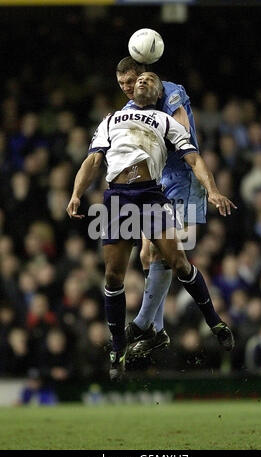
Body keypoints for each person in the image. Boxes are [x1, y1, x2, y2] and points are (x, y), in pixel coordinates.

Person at [66, 72, 236, 380]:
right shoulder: (111, 120)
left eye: (150, 78)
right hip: (117, 198)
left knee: (178, 261)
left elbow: (195, 159)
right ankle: (119, 348)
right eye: (138, 79)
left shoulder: (168, 120)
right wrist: (76, 194)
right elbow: (92, 161)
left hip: (151, 196)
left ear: (159, 90)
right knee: (113, 275)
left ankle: (214, 322)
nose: (143, 81)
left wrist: (212, 190)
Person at [116, 57, 235, 357]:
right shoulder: (127, 112)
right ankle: (157, 331)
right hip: (155, 182)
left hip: (183, 178)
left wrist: (212, 190)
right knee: (146, 252)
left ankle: (144, 324)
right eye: (122, 85)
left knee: (165, 251)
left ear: (144, 77)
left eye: (131, 81)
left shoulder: (170, 93)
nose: (128, 89)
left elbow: (186, 144)